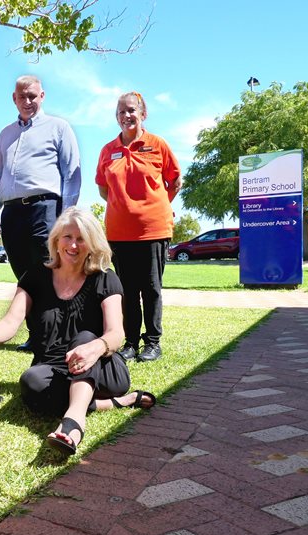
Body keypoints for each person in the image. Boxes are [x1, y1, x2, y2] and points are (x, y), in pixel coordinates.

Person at [0, 208, 155, 456]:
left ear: (92, 244)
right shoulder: (35, 277)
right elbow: (11, 322)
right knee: (31, 382)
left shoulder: (106, 278)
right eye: (67, 237)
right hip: (53, 370)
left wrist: (95, 348)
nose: (73, 245)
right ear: (56, 240)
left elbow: (116, 333)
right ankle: (112, 403)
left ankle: (74, 423)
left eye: (81, 238)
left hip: (102, 367)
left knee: (85, 337)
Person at [0, 75, 82, 352]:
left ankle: (61, 336)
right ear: (14, 99)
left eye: (32, 96)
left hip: (46, 209)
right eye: (22, 97)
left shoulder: (59, 127)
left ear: (42, 96)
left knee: (52, 271)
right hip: (12, 212)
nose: (27, 101)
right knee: (26, 276)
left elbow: (72, 174)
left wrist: (67, 217)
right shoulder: (5, 134)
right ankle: (37, 334)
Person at [96, 92, 181, 363]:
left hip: (154, 230)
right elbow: (102, 188)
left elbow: (175, 181)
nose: (126, 116)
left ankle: (152, 342)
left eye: (131, 110)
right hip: (119, 234)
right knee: (126, 291)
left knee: (151, 288)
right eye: (121, 112)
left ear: (143, 114)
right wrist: (124, 207)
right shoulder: (108, 150)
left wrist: (156, 206)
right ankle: (130, 342)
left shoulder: (157, 144)